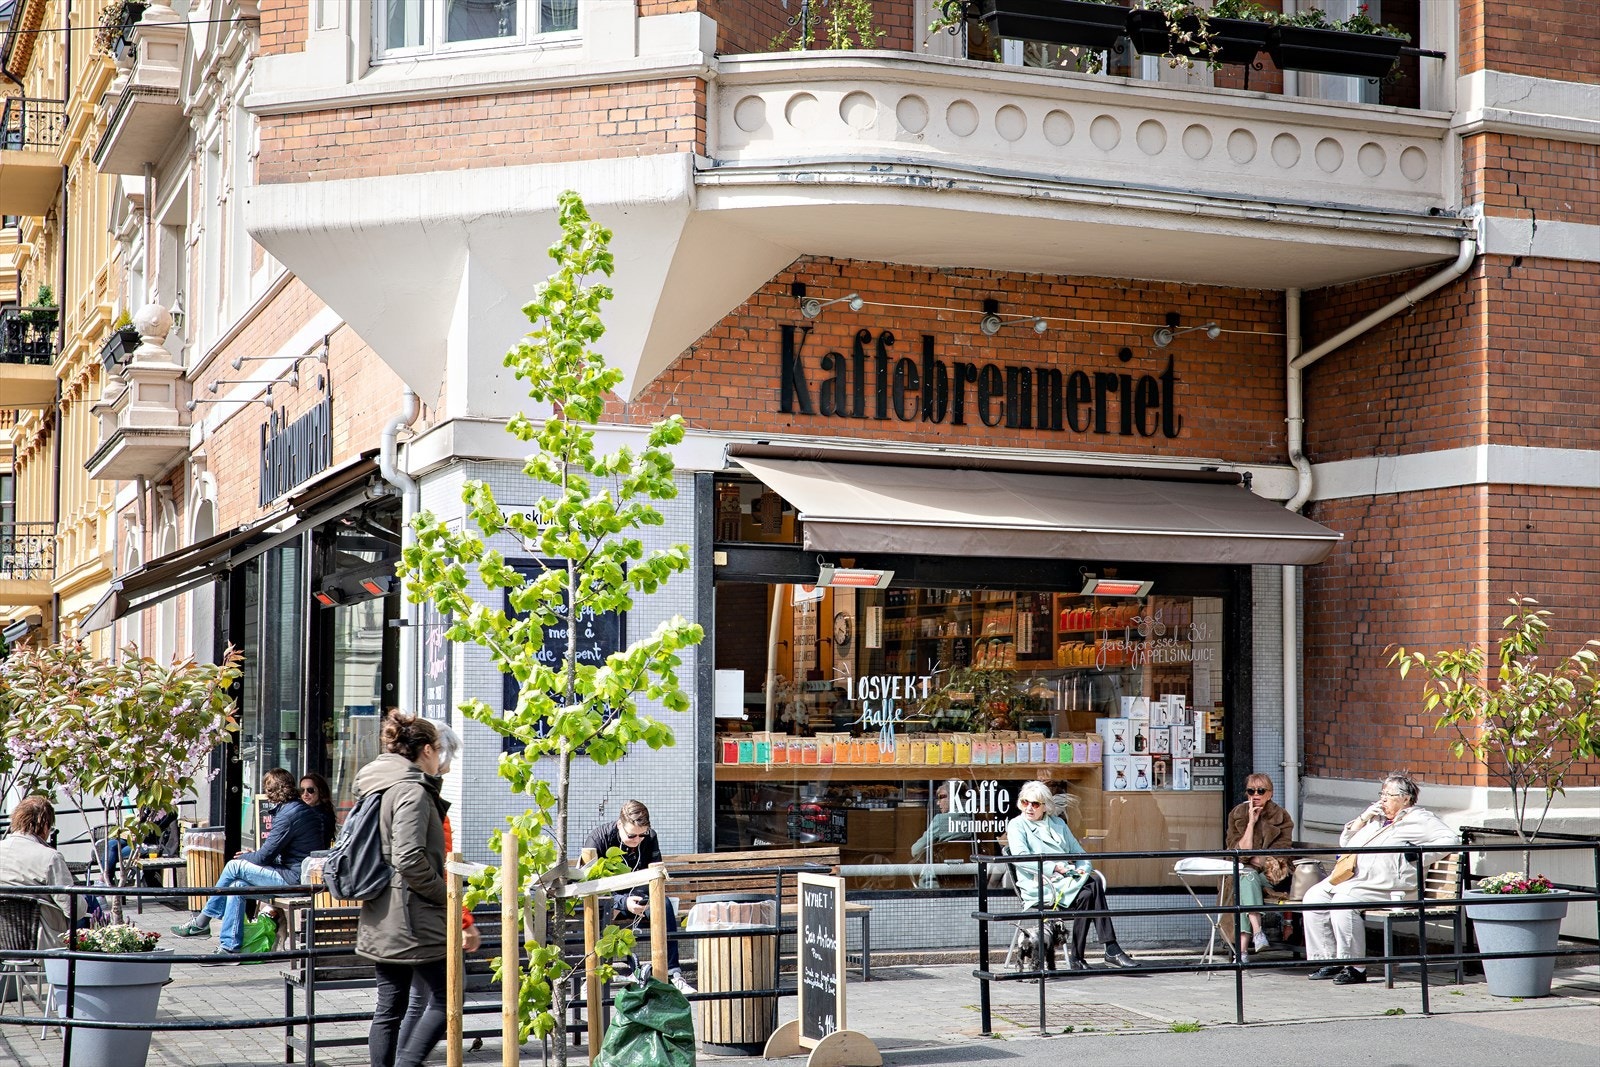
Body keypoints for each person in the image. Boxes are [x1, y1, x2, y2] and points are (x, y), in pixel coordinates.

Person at [354, 711, 450, 1067]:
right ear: (425, 750)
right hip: (412, 916)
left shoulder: (378, 784)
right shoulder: (411, 790)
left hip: (382, 911)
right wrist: (446, 896)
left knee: (389, 1007)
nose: (440, 758)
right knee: (447, 996)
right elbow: (409, 859)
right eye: (438, 750)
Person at [1302, 772, 1457, 985]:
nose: (1382, 799)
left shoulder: (1420, 819)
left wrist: (1418, 856)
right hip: (1359, 880)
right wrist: (1362, 819)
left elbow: (1450, 839)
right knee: (1314, 896)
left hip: (1391, 885)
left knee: (1343, 902)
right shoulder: (1376, 820)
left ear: (1406, 798)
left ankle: (1355, 967)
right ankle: (1331, 959)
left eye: (1388, 795)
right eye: (1381, 794)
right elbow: (1347, 845)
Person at [171, 768, 325, 958]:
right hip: (294, 874)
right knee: (237, 885)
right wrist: (254, 856)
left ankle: (202, 921)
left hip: (295, 880)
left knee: (234, 866)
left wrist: (246, 857)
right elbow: (275, 853)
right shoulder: (295, 809)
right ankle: (229, 947)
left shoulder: (289, 814)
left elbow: (264, 857)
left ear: (272, 792)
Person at [396, 723, 479, 1057]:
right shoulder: (424, 798)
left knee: (407, 1003)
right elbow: (442, 868)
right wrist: (463, 920)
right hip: (429, 914)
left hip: (403, 913)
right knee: (439, 999)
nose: (448, 766)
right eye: (448, 756)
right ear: (431, 751)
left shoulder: (402, 790)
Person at [1005, 780, 1137, 971]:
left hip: (1067, 883)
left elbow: (1080, 854)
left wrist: (1083, 868)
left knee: (1089, 888)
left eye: (1035, 804)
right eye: (1025, 802)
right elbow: (1020, 859)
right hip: (1041, 885)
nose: (1029, 808)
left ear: (1045, 806)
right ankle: (1104, 950)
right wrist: (1055, 868)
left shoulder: (1058, 823)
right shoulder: (1017, 825)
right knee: (1093, 886)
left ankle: (1090, 955)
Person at [583, 799, 696, 994]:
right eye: (631, 835)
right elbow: (589, 886)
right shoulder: (598, 839)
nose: (637, 840)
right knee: (599, 912)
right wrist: (622, 902)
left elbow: (655, 874)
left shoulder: (649, 837)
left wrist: (644, 899)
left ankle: (673, 974)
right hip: (607, 896)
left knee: (664, 904)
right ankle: (592, 976)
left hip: (640, 892)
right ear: (620, 825)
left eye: (641, 835)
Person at [1225, 773, 1294, 963]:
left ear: (1270, 794)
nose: (1255, 795)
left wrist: (1254, 859)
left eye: (1261, 791)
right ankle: (1257, 933)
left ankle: (1243, 953)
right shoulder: (1237, 814)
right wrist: (1250, 823)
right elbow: (1235, 851)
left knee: (1247, 877)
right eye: (1251, 791)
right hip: (1245, 874)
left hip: (1273, 875)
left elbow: (1280, 854)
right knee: (1247, 878)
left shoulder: (1281, 816)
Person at [0, 795, 74, 939]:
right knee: (87, 903)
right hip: (41, 941)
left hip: (4, 939)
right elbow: (72, 907)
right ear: (45, 825)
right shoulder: (49, 857)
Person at [300, 772, 338, 849]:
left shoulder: (321, 816)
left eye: (310, 790)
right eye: (302, 790)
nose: (305, 794)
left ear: (320, 791)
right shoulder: (304, 812)